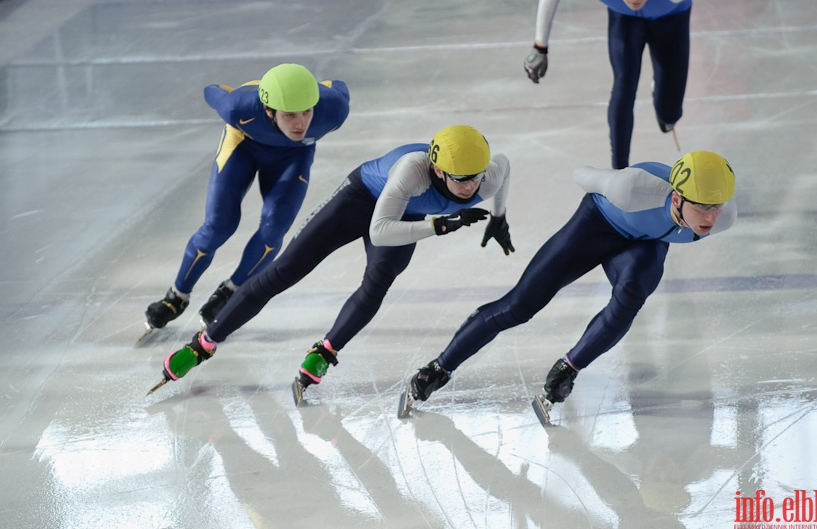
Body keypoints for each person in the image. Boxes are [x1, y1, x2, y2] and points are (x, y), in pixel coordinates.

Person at [146, 125, 515, 400]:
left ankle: (326, 350)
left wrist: (498, 218)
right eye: (460, 179)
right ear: (437, 170)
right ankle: (204, 344)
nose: (469, 187)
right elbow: (381, 230)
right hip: (363, 200)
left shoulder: (487, 176)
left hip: (405, 214)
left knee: (376, 285)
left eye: (475, 178)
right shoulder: (412, 171)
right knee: (284, 270)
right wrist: (435, 225)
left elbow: (505, 168)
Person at [400, 150, 736, 424]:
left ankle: (568, 368)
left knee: (632, 295)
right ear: (676, 198)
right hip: (598, 224)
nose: (711, 217)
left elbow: (707, 214)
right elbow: (582, 172)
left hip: (644, 244)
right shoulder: (631, 188)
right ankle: (439, 368)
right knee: (521, 305)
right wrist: (611, 179)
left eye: (717, 206)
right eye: (703, 207)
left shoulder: (724, 217)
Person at [143, 64, 351, 333]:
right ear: (268, 109)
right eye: (289, 115)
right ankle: (176, 296)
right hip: (243, 145)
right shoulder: (237, 107)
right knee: (219, 225)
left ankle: (232, 290)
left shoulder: (334, 110)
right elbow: (213, 91)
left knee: (274, 228)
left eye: (307, 111)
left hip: (293, 156)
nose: (300, 123)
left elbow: (338, 85)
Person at [523, 0, 736, 169]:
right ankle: (619, 169)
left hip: (671, 21)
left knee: (669, 116)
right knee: (624, 83)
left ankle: (665, 105)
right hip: (625, 21)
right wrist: (540, 47)